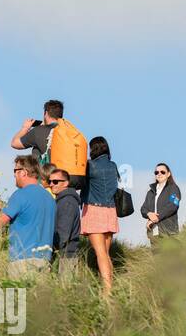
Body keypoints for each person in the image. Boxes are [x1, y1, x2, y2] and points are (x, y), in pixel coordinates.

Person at [0, 155, 56, 278]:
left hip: (22, 261)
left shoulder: (20, 195)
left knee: (20, 297)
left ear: (24, 172)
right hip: (45, 261)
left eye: (15, 171)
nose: (14, 175)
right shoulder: (50, 199)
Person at [11, 99, 88, 195]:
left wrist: (25, 128)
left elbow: (15, 143)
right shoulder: (70, 133)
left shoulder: (38, 131)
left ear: (46, 113)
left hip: (49, 187)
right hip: (69, 183)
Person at [81, 136, 119, 294]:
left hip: (95, 210)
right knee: (106, 254)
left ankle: (107, 292)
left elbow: (81, 182)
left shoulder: (90, 166)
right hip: (110, 211)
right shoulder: (113, 166)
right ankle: (110, 286)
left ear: (93, 149)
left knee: (100, 254)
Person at [48, 167, 82, 278]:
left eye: (55, 181)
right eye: (50, 181)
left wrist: (50, 251)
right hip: (62, 255)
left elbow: (63, 234)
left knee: (66, 292)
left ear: (66, 183)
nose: (51, 184)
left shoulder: (67, 202)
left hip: (66, 256)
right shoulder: (61, 201)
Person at [141, 162, 181, 242]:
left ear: (168, 174)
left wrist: (156, 218)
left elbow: (173, 205)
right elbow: (143, 208)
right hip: (154, 234)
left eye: (162, 172)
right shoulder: (151, 192)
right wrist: (149, 214)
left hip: (169, 233)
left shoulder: (173, 188)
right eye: (156, 172)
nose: (159, 174)